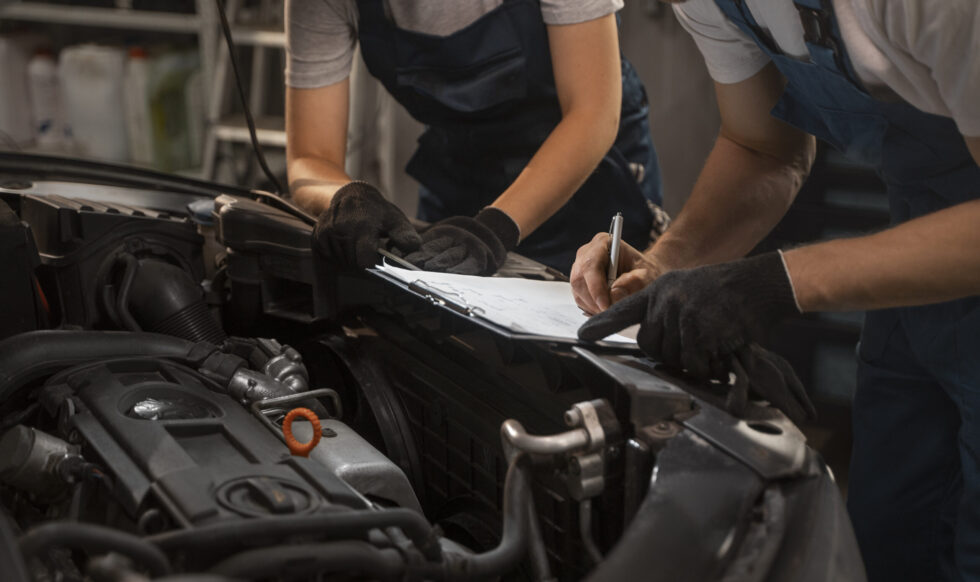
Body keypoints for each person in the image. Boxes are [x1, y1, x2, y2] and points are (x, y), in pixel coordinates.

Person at [570, 1, 980, 580]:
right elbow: (764, 147)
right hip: (915, 271)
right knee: (889, 539)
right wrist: (664, 266)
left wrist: (774, 283)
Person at [286, 0, 667, 276]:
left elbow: (593, 112)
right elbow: (311, 154)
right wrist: (346, 198)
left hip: (587, 176)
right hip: (462, 180)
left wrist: (495, 228)